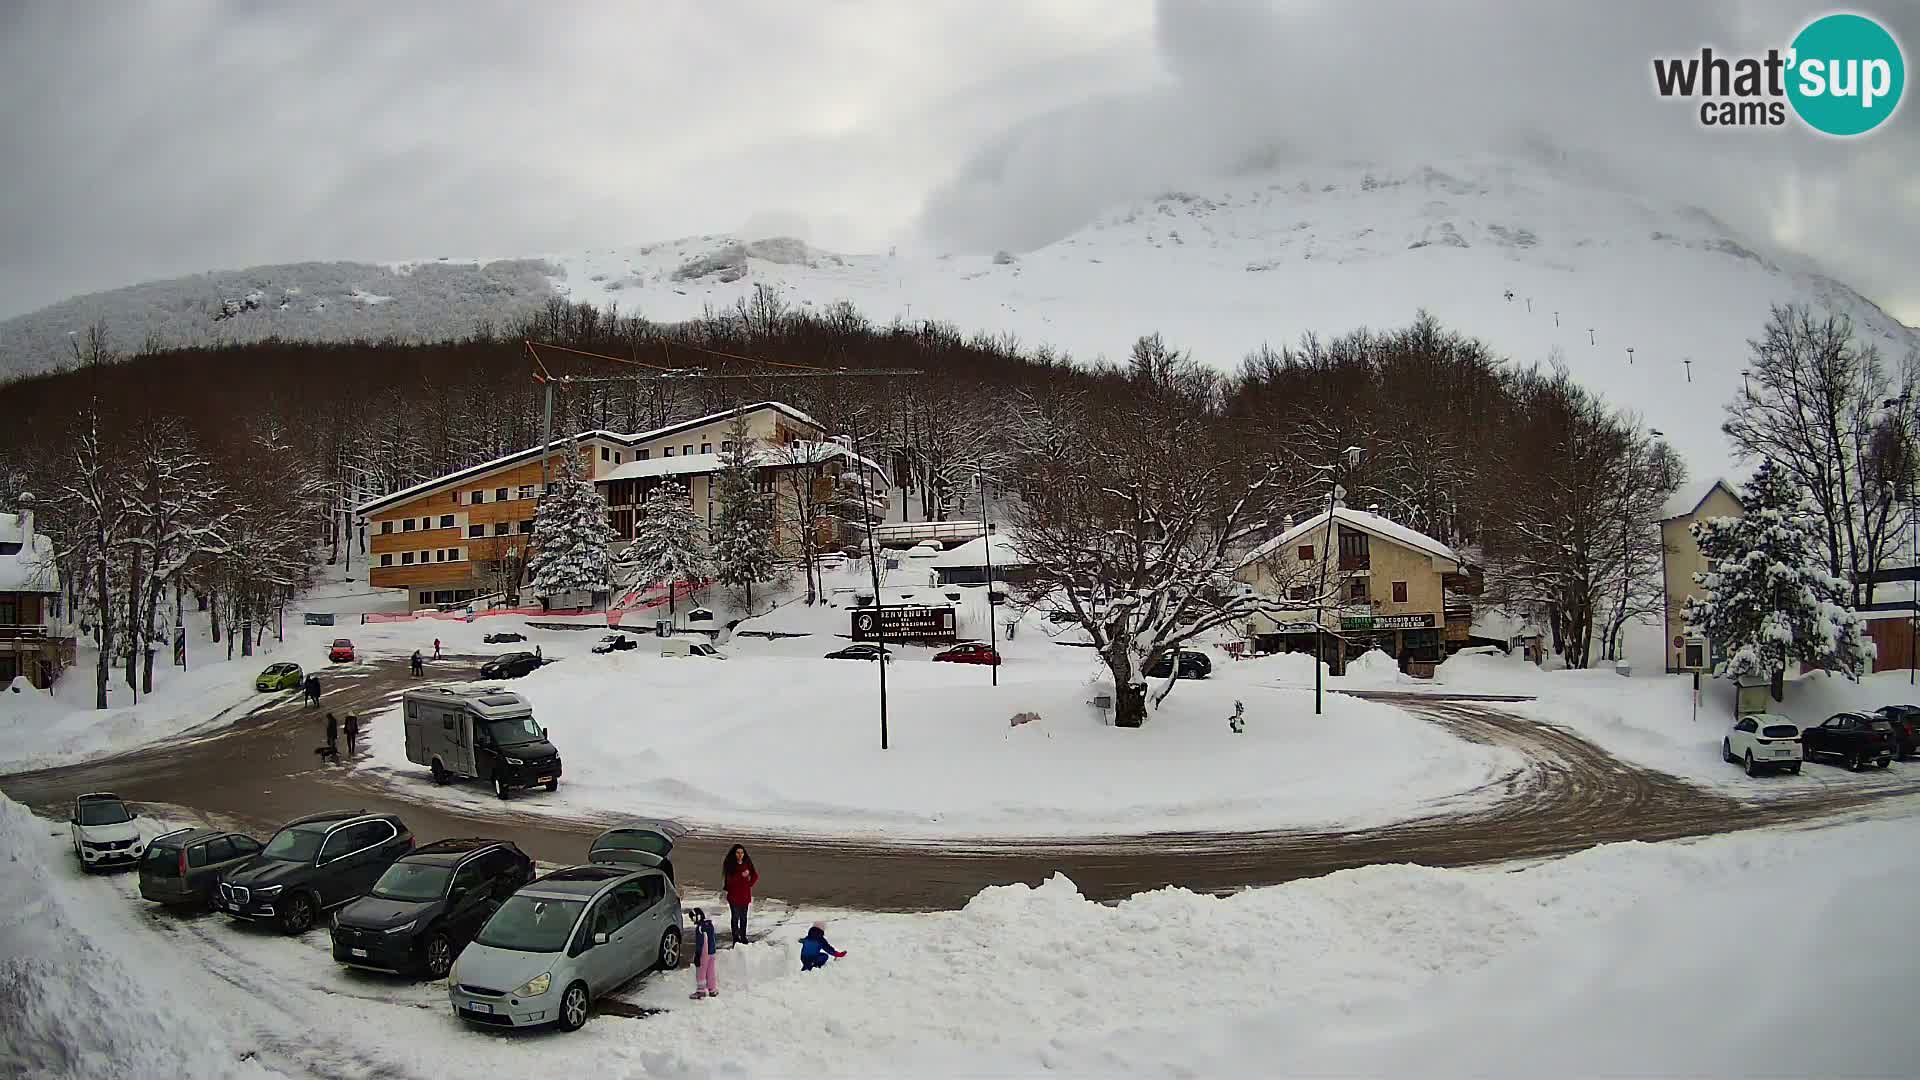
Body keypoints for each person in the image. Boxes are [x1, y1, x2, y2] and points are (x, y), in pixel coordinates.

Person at [722, 844, 759, 944]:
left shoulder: (747, 863)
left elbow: (755, 875)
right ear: (734, 854)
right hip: (734, 896)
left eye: (742, 853)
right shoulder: (730, 865)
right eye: (738, 853)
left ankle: (743, 936)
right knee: (735, 917)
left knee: (743, 917)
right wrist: (742, 875)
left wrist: (749, 884)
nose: (740, 855)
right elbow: (729, 882)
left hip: (745, 895)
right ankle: (735, 937)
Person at [689, 908, 719, 999]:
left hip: (704, 953)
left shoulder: (700, 928)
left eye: (692, 918)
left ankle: (701, 991)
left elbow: (701, 942)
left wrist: (698, 955)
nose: (692, 921)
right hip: (712, 951)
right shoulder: (709, 925)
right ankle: (712, 989)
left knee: (701, 971)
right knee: (710, 970)